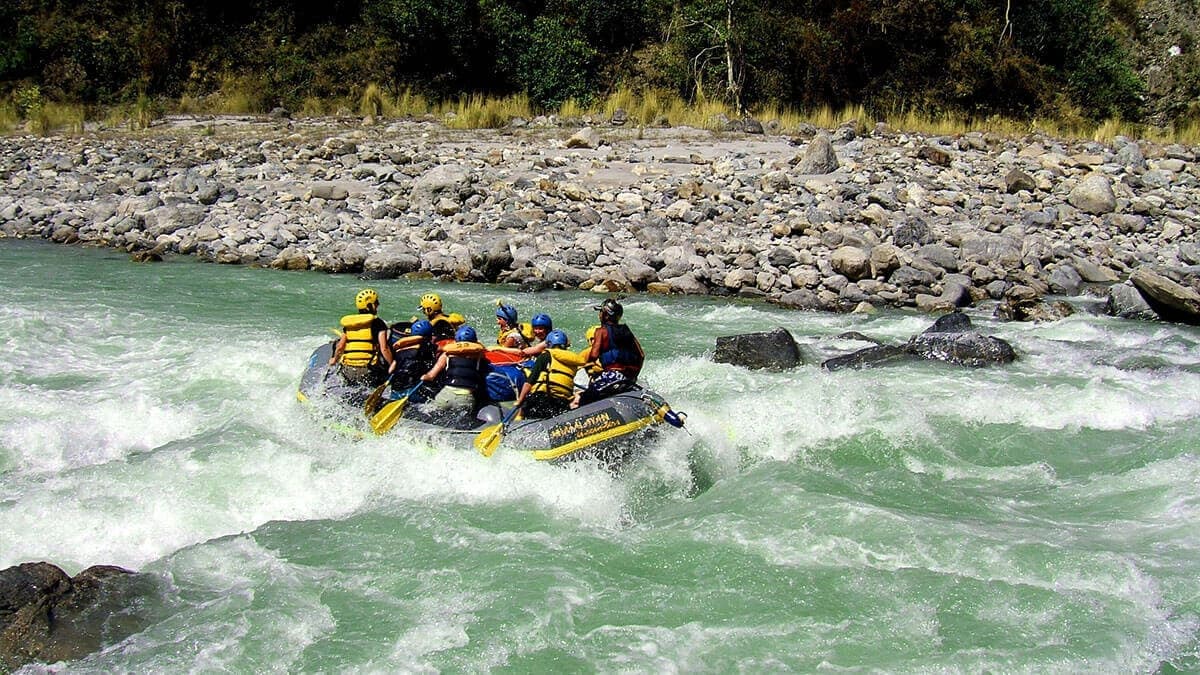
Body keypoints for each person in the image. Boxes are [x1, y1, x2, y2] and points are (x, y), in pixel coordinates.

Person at [575, 299, 644, 407]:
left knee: (584, 399)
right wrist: (634, 376)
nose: (599, 315)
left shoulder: (601, 331)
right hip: (629, 378)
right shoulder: (626, 330)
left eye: (601, 312)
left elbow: (594, 355)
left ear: (606, 315)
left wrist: (588, 367)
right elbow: (641, 355)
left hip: (612, 376)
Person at [420, 325, 490, 426]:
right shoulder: (479, 355)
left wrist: (423, 377)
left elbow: (431, 376)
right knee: (460, 423)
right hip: (465, 399)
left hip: (445, 396)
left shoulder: (447, 354)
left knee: (433, 417)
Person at [515, 329, 589, 419]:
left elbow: (529, 382)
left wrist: (520, 401)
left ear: (549, 344)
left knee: (525, 406)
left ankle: (518, 423)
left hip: (542, 401)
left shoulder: (545, 356)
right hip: (562, 404)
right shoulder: (573, 361)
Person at [328, 288, 393, 387]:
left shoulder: (350, 324)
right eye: (376, 302)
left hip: (348, 371)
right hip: (368, 371)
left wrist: (334, 359)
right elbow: (384, 348)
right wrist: (392, 366)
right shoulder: (377, 323)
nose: (378, 305)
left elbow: (340, 346)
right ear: (370, 305)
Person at [388, 319, 438, 394]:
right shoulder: (428, 349)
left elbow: (390, 370)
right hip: (413, 390)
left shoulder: (401, 349)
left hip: (396, 388)